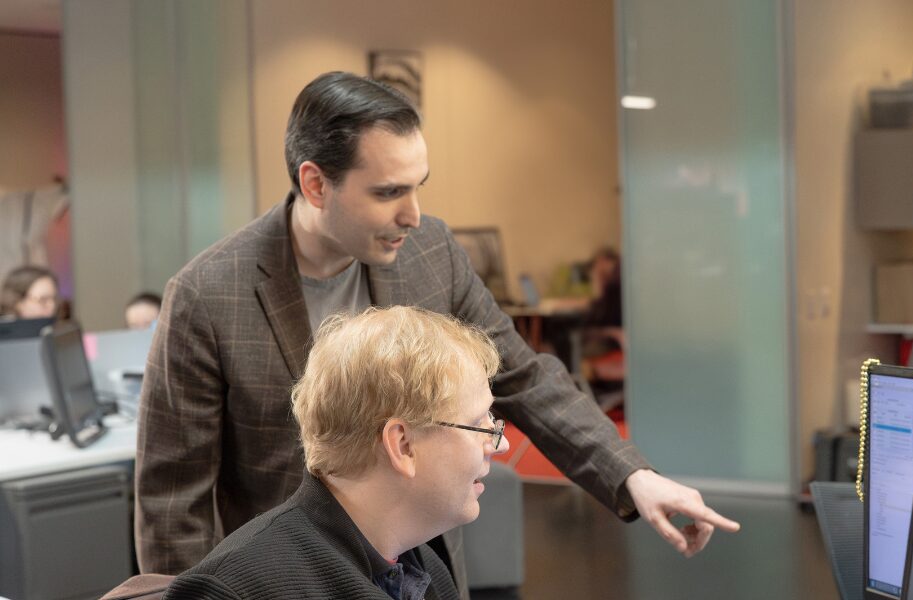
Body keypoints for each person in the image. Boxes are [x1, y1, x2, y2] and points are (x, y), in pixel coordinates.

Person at [136, 71, 739, 587]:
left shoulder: (431, 254)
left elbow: (523, 377)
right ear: (316, 183)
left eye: (418, 186)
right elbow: (173, 505)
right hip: (286, 582)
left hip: (421, 573)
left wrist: (633, 475)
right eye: (388, 192)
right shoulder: (206, 295)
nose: (414, 215)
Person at [164, 306, 503, 599]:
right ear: (402, 445)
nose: (500, 443)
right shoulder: (234, 591)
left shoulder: (425, 571)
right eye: (479, 424)